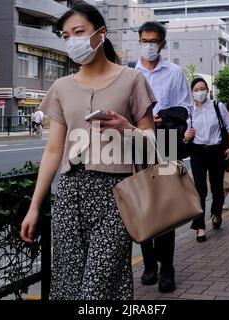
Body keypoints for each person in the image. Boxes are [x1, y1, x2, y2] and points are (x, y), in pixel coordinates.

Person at [20, 4, 157, 300]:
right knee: (68, 284)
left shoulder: (133, 80)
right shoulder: (61, 87)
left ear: (100, 33)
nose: (72, 41)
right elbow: (54, 150)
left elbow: (153, 144)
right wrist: (35, 206)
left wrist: (126, 128)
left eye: (79, 32)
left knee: (98, 287)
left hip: (117, 193)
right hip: (70, 193)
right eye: (66, 35)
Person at [135, 21, 194, 293]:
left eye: (154, 41)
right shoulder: (129, 73)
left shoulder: (174, 72)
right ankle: (149, 263)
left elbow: (185, 108)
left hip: (167, 140)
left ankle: (167, 267)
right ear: (139, 41)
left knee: (166, 205)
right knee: (143, 204)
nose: (149, 45)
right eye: (144, 40)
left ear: (163, 43)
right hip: (136, 142)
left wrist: (162, 119)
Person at [183, 78, 229, 243]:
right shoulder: (189, 111)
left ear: (208, 89)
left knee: (217, 188)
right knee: (199, 189)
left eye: (202, 88)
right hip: (198, 152)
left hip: (217, 151)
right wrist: (186, 137)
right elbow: (184, 136)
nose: (200, 91)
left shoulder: (217, 106)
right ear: (192, 93)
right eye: (197, 89)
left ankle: (217, 212)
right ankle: (200, 227)